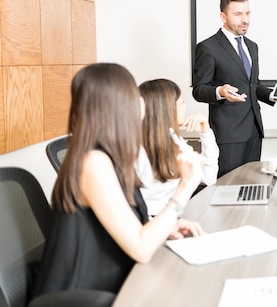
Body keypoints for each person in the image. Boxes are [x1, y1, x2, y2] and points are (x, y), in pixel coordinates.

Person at [32, 63, 204, 297]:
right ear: (118, 105)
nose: (141, 101)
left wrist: (165, 227)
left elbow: (124, 227)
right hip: (85, 296)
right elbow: (141, 249)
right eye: (133, 94)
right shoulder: (93, 162)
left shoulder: (109, 156)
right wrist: (186, 186)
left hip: (114, 282)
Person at [193, 0, 277, 177]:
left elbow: (253, 85)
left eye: (247, 13)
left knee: (250, 187)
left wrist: (274, 95)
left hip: (254, 132)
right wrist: (220, 91)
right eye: (238, 14)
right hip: (228, 135)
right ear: (223, 16)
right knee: (226, 189)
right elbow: (199, 90)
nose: (244, 19)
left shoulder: (252, 46)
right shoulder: (208, 47)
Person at [137, 78, 220, 216]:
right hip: (157, 222)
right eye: (182, 102)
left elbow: (208, 178)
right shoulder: (138, 151)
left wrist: (206, 133)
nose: (185, 107)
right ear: (167, 108)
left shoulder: (173, 138)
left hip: (175, 216)